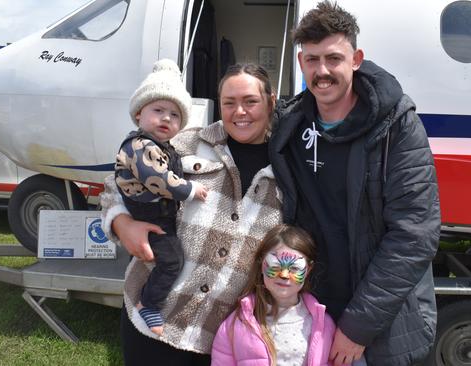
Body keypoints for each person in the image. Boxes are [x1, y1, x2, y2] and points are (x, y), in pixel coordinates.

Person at [268, 1, 441, 365]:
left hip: (376, 327)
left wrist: (357, 327)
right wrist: (123, 212)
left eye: (333, 58)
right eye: (312, 59)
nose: (322, 71)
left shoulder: (397, 128)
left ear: (356, 59)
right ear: (301, 63)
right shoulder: (290, 125)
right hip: (313, 311)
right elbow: (232, 140)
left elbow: (414, 235)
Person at [101, 63, 282, 365]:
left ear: (271, 101)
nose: (240, 112)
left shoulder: (288, 167)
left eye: (250, 101)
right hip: (152, 321)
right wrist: (122, 224)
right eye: (229, 103)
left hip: (222, 336)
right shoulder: (187, 143)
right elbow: (113, 186)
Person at [114, 59, 209, 335]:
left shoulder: (163, 147)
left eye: (175, 114)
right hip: (151, 216)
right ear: (138, 115)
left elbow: (172, 166)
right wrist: (190, 190)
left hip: (157, 215)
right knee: (171, 261)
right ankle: (149, 304)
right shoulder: (140, 147)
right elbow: (159, 178)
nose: (167, 118)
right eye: (158, 110)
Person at [212, 223, 349, 366]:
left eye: (295, 268)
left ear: (308, 270)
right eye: (276, 266)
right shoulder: (236, 324)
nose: (284, 275)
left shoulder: (323, 325)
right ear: (261, 264)